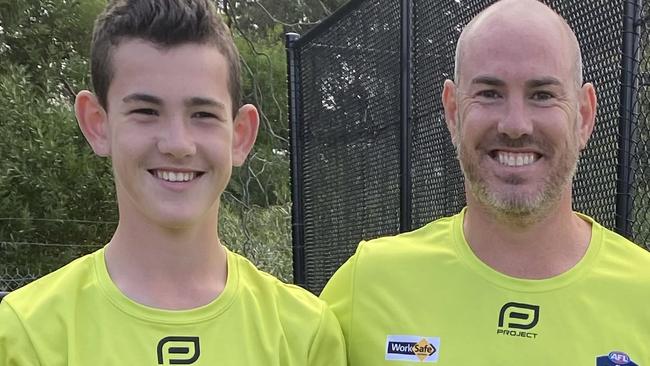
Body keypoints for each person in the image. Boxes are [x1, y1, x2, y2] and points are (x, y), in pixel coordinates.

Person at [0, 1, 346, 364]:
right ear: (97, 124)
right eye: (146, 112)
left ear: (240, 135)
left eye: (203, 115)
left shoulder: (305, 333)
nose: (178, 144)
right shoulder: (26, 332)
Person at [320, 0, 650, 364]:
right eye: (489, 93)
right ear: (453, 111)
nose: (515, 124)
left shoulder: (643, 293)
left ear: (584, 116)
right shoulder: (368, 285)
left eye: (542, 95)